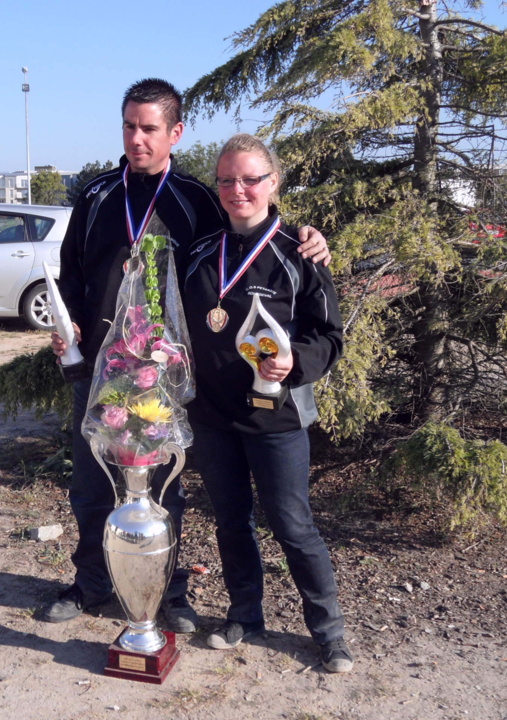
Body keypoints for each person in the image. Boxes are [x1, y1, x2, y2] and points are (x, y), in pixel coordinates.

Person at [47, 79, 330, 634]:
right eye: (129, 126)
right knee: (90, 483)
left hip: (165, 374)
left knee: (165, 489)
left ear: (175, 133)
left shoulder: (198, 198)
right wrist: (71, 328)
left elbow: (247, 239)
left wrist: (307, 237)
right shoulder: (96, 195)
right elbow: (71, 276)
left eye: (149, 128)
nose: (136, 138)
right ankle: (91, 584)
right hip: (104, 371)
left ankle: (168, 592)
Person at [181, 134, 353, 672]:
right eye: (228, 180)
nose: (239, 190)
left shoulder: (299, 252)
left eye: (251, 178)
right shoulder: (200, 253)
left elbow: (331, 338)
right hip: (211, 416)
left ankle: (329, 633)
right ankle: (244, 615)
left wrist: (294, 362)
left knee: (293, 525)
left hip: (276, 416)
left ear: (273, 183)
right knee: (231, 521)